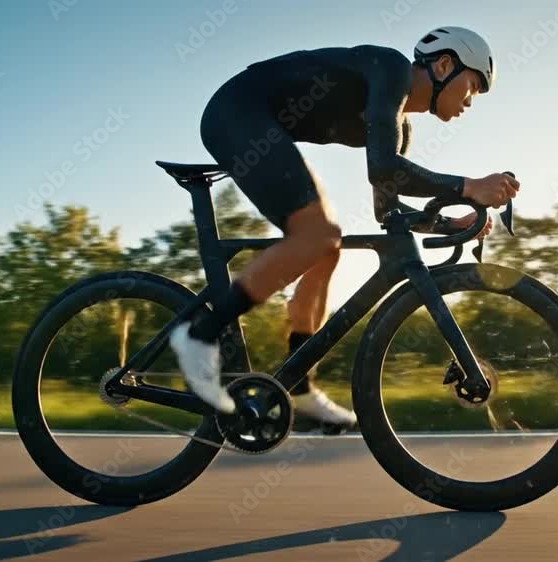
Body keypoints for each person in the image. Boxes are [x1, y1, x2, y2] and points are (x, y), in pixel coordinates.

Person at [170, 27, 520, 428]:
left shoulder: (400, 126)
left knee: (326, 246)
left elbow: (387, 211)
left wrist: (446, 223)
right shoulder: (389, 69)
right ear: (444, 65)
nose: (471, 101)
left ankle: (298, 386)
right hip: (237, 111)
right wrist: (468, 186)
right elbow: (383, 168)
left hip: (263, 124)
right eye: (473, 85)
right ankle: (200, 335)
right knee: (318, 235)